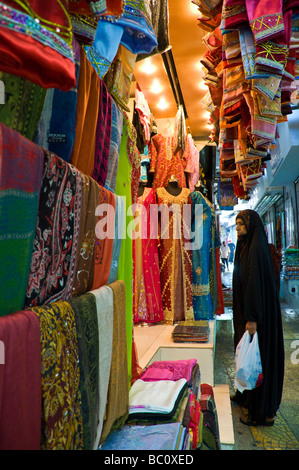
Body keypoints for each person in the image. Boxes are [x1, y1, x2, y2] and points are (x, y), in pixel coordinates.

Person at [231, 209, 284, 426]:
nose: (237, 230)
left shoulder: (256, 250)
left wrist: (252, 318)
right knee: (247, 356)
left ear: (251, 226)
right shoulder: (245, 247)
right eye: (236, 226)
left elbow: (254, 285)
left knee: (259, 359)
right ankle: (247, 397)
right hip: (247, 314)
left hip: (257, 318)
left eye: (241, 225)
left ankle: (262, 413)